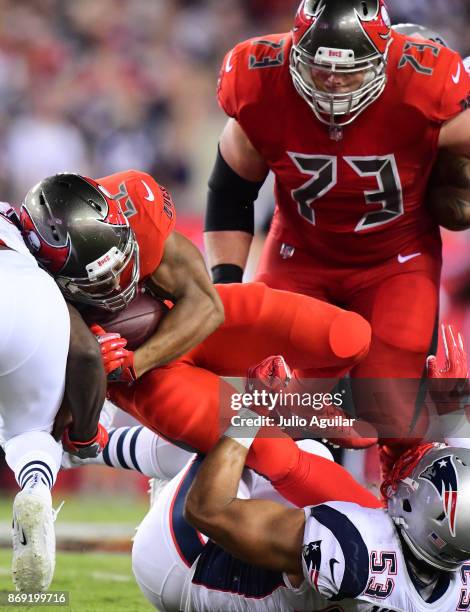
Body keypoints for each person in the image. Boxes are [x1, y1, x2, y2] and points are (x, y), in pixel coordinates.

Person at [20, 170, 382, 511]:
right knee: (270, 450)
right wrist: (93, 376)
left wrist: (135, 362)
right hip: (152, 385)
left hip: (173, 336)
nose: (119, 282)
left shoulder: (136, 209)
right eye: (100, 281)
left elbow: (207, 306)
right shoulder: (35, 294)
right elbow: (53, 418)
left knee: (347, 336)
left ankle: (300, 402)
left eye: (123, 261)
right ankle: (378, 530)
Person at [203, 0, 470, 460]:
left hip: (397, 260)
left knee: (395, 414)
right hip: (299, 255)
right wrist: (225, 286)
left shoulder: (423, 91)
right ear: (294, 52)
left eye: (349, 70)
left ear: (386, 56)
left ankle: (408, 522)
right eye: (319, 67)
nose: (333, 82)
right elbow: (231, 190)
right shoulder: (261, 83)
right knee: (268, 406)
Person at [0, 202, 107, 591]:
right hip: (31, 298)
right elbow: (85, 352)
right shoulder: (20, 234)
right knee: (29, 434)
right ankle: (35, 490)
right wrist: (85, 432)